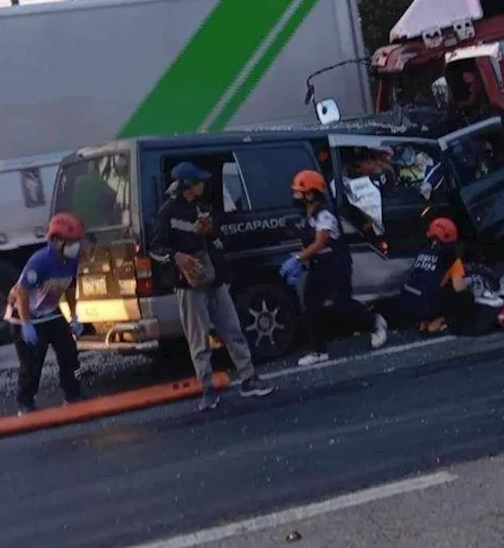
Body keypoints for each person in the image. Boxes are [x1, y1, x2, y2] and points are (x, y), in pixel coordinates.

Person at [150, 162, 275, 412]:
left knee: (232, 329)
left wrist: (211, 234)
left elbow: (218, 244)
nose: (203, 185)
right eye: (198, 182)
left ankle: (248, 379)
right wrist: (178, 257)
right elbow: (156, 249)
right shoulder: (167, 213)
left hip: (215, 281)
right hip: (188, 285)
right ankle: (207, 389)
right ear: (187, 185)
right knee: (198, 339)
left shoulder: (203, 208)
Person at [282, 170, 388, 366]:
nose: (295, 197)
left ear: (310, 194)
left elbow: (320, 242)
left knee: (342, 304)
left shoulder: (325, 214)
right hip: (319, 266)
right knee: (310, 307)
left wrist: (298, 258)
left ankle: (374, 322)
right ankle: (318, 350)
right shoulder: (309, 214)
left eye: (299, 193)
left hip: (337, 265)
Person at [5, 212, 88, 415]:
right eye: (72, 241)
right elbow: (22, 293)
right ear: (57, 240)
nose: (76, 245)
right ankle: (25, 403)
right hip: (24, 314)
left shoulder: (71, 260)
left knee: (69, 353)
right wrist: (26, 324)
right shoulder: (40, 261)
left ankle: (73, 395)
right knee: (32, 362)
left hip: (50, 312)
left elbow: (69, 288)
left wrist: (74, 316)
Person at [400, 217, 473, 336]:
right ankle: (439, 321)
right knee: (466, 297)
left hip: (407, 301)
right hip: (427, 305)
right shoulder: (452, 259)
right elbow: (458, 287)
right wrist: (470, 282)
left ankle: (423, 322)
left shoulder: (422, 252)